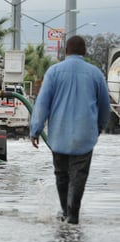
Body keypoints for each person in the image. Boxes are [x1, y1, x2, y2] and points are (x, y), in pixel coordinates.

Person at [29, 35, 111, 224]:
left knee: (62, 174)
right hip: (85, 134)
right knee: (79, 175)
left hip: (58, 135)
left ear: (66, 51)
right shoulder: (96, 74)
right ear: (85, 52)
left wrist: (35, 129)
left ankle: (66, 212)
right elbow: (105, 106)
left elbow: (42, 104)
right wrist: (100, 126)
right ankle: (73, 213)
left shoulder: (54, 72)